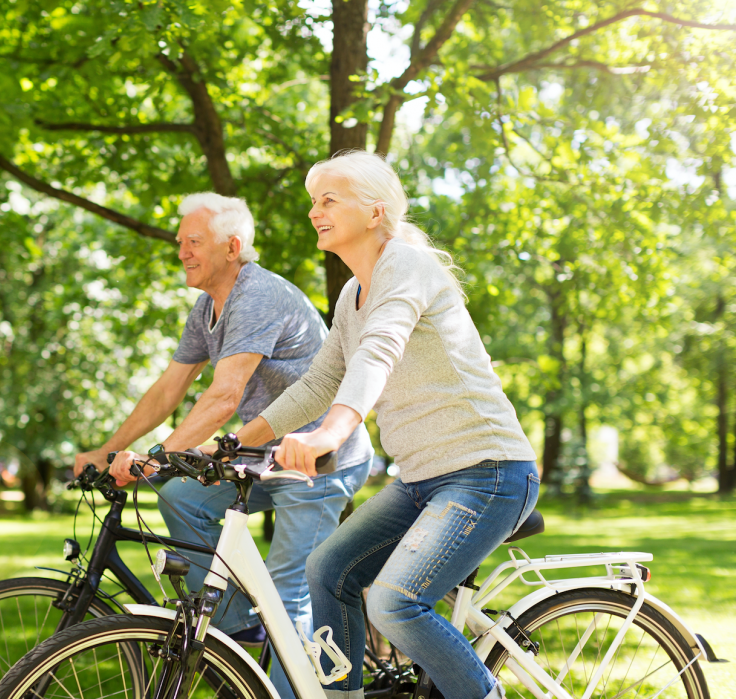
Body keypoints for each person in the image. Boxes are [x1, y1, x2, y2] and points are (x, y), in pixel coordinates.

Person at [234, 151, 539, 699]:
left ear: (375, 212)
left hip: (486, 471)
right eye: (312, 202)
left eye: (328, 200)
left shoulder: (408, 266)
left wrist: (331, 434)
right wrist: (234, 441)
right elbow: (318, 384)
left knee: (394, 603)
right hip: (421, 480)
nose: (314, 212)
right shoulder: (352, 295)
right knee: (327, 568)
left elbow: (378, 353)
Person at [73, 192, 375, 699]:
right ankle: (238, 633)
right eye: (179, 243)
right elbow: (168, 390)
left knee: (286, 595)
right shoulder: (207, 307)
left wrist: (156, 457)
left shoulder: (257, 295)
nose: (182, 252)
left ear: (232, 247)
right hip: (260, 456)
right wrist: (110, 448)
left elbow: (222, 397)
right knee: (179, 496)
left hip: (318, 457)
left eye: (194, 242)